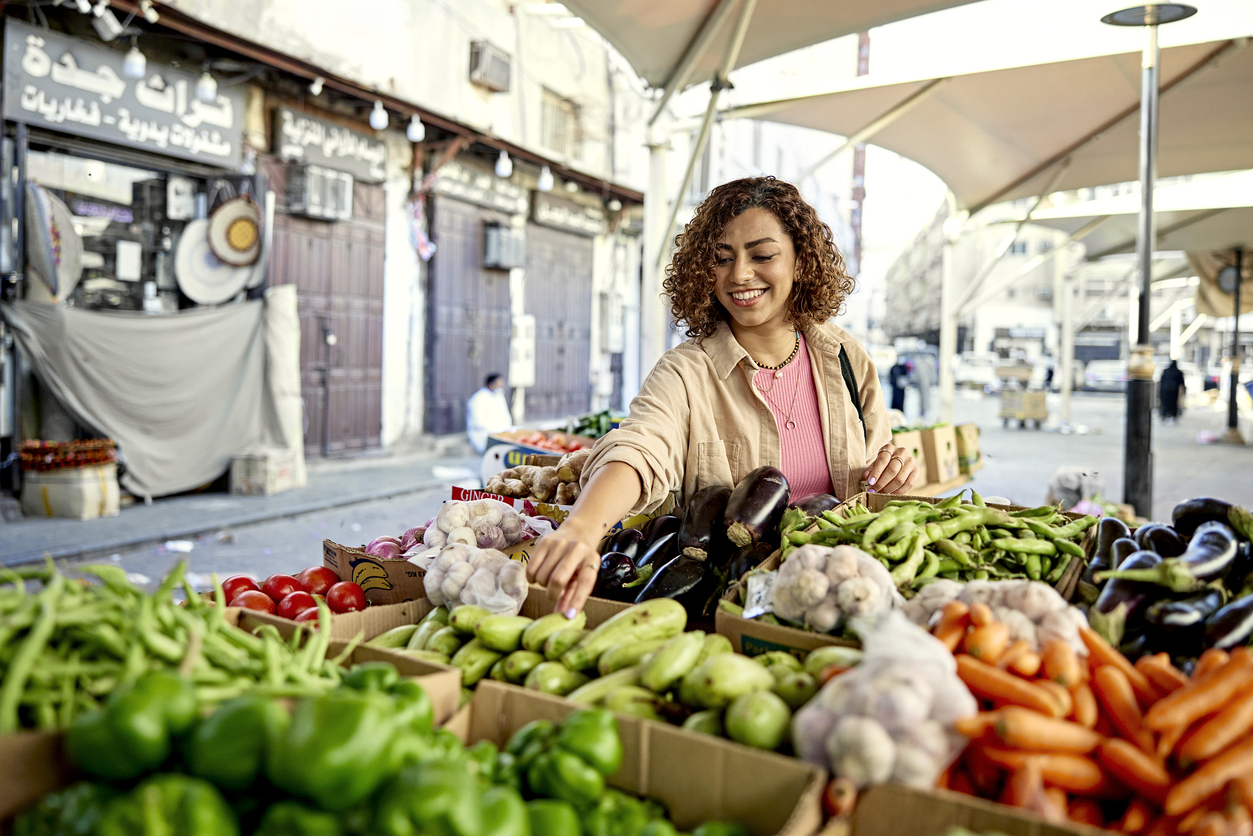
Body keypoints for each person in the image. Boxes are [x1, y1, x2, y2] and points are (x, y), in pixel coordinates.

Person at [526, 176, 920, 615]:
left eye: (763, 255)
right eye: (722, 259)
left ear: (801, 262)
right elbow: (640, 448)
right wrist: (582, 527)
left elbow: (875, 481)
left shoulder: (846, 358)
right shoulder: (686, 372)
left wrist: (893, 472)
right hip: (728, 610)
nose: (740, 275)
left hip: (836, 602)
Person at [466, 373, 513, 454]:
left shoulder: (499, 396)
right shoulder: (478, 398)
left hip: (500, 432)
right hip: (483, 434)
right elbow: (478, 422)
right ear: (491, 385)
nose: (502, 387)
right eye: (499, 384)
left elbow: (505, 416)